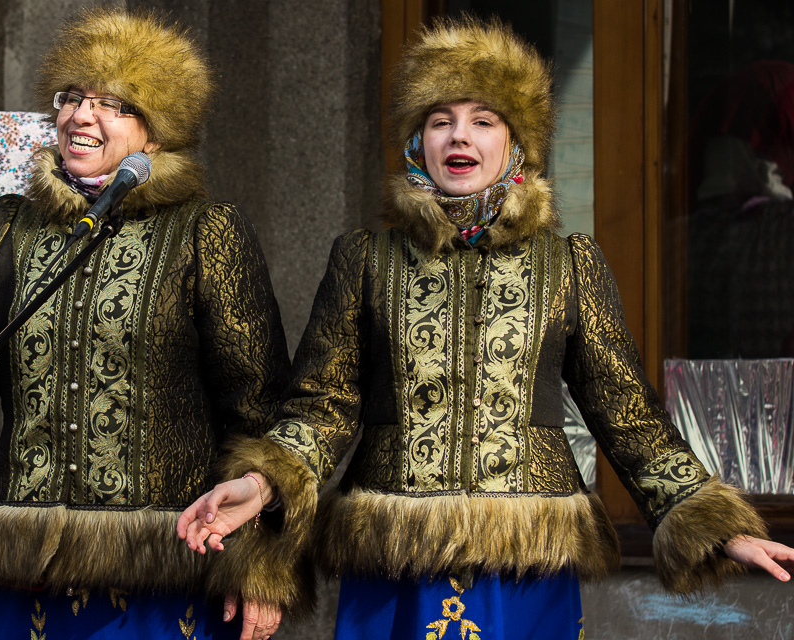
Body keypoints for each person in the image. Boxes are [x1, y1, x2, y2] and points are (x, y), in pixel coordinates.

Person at [179, 17, 794, 639]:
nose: (459, 135)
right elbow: (323, 404)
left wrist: (710, 519)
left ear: (515, 144)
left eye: (483, 120)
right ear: (418, 142)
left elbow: (625, 409)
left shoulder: (568, 263)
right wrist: (263, 481)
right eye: (439, 120)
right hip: (395, 557)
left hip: (526, 561)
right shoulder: (365, 259)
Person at [0, 8, 291, 640]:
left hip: (163, 569)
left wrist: (260, 563)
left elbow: (258, 406)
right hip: (28, 566)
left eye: (112, 104)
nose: (81, 116)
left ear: (155, 133)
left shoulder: (205, 230)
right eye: (72, 97)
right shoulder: (10, 225)